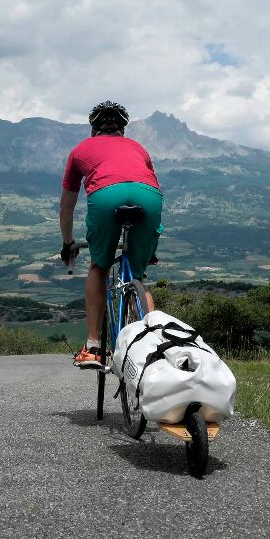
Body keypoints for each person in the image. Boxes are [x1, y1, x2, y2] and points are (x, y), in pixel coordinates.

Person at [59, 101, 163, 369]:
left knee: (99, 266)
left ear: (95, 129)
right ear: (122, 129)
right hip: (148, 197)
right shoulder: (139, 148)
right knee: (138, 275)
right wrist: (149, 248)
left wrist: (68, 242)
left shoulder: (80, 149)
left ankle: (94, 347)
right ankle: (152, 343)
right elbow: (152, 190)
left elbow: (67, 205)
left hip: (106, 196)